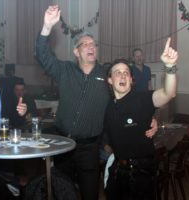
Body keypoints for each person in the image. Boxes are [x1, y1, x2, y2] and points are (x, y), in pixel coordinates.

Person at [35, 5, 158, 200]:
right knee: (62, 192)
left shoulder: (107, 75)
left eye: (94, 44)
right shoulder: (64, 71)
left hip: (89, 148)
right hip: (62, 144)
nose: (92, 47)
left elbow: (130, 99)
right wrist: (46, 27)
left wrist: (150, 118)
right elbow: (43, 55)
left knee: (90, 194)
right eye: (86, 44)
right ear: (76, 52)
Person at [104, 38, 177, 200]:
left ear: (131, 79)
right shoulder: (106, 107)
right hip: (117, 171)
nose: (122, 76)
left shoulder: (142, 99)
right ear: (110, 80)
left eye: (126, 73)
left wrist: (170, 66)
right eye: (117, 73)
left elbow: (168, 93)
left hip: (142, 174)